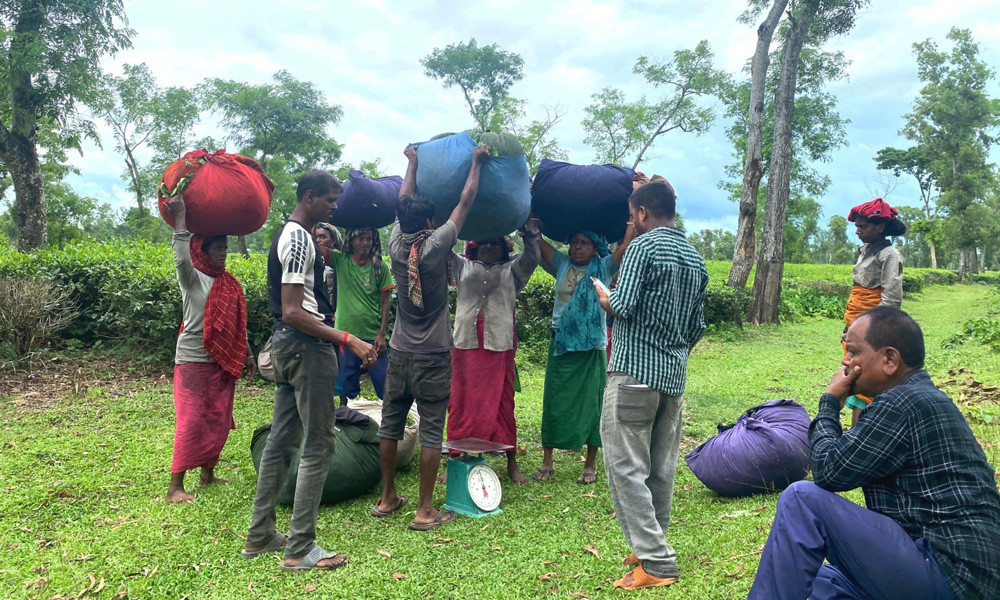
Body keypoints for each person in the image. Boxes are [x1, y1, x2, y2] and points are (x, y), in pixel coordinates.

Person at [748, 306, 1000, 600]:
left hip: (951, 573)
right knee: (814, 580)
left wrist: (830, 402)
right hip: (942, 567)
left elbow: (829, 471)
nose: (845, 361)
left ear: (890, 360)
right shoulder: (918, 397)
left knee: (801, 499)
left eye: (853, 352)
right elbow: (847, 457)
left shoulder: (903, 402)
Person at [244, 170, 377, 572]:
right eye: (329, 199)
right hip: (307, 349)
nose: (335, 206)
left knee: (282, 441)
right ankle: (300, 547)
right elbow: (292, 310)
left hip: (287, 348)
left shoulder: (288, 235)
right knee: (320, 444)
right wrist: (348, 339)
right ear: (308, 197)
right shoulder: (300, 238)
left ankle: (260, 534)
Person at [594, 180, 708, 591]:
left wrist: (604, 297)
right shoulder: (696, 258)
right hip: (672, 378)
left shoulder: (642, 248)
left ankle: (657, 562)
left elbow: (623, 306)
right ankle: (650, 544)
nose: (633, 222)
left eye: (632, 215)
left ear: (642, 212)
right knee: (660, 468)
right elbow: (697, 327)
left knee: (626, 467)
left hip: (633, 373)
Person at [373, 142, 490, 530]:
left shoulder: (395, 245)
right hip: (434, 355)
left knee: (390, 425)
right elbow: (465, 201)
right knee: (431, 431)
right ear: (428, 222)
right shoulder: (437, 245)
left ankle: (387, 498)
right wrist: (477, 162)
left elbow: (402, 202)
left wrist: (411, 162)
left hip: (399, 352)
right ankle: (424, 510)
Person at [165, 195, 257, 504]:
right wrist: (180, 217)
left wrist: (248, 354)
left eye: (225, 248)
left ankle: (208, 475)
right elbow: (180, 257)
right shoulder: (192, 279)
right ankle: (175, 486)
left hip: (221, 363)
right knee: (191, 420)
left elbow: (237, 325)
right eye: (217, 248)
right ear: (201, 251)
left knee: (218, 418)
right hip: (192, 360)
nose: (223, 253)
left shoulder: (229, 283)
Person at [534, 225, 634, 484]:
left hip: (591, 348)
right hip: (562, 344)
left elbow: (624, 248)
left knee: (593, 403)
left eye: (584, 242)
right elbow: (538, 241)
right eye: (575, 242)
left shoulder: (604, 267)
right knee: (554, 401)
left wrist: (631, 221)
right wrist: (530, 221)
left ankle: (590, 463)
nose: (578, 247)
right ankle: (547, 459)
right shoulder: (562, 264)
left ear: (595, 247)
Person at [447, 220, 540, 485]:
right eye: (483, 243)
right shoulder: (462, 266)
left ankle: (511, 463)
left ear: (504, 248)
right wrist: (452, 221)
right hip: (465, 346)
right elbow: (442, 249)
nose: (488, 247)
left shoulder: (513, 270)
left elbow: (533, 256)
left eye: (494, 243)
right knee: (461, 401)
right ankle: (454, 460)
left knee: (503, 403)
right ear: (474, 247)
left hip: (499, 346)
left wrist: (529, 227)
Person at [843, 197, 906, 424]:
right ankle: (857, 431)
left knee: (867, 379)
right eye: (856, 226)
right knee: (855, 377)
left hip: (872, 330)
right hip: (856, 324)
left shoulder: (889, 255)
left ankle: (864, 432)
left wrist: (868, 333)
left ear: (880, 227)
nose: (858, 231)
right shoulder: (865, 250)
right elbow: (857, 296)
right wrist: (849, 328)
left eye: (863, 226)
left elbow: (891, 300)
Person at [329, 227, 394, 407]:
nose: (365, 243)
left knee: (384, 381)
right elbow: (317, 247)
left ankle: (390, 417)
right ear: (351, 240)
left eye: (369, 239)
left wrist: (381, 334)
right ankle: (344, 414)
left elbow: (386, 300)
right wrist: (326, 227)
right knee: (345, 381)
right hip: (345, 334)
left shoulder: (379, 266)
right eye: (360, 238)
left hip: (372, 336)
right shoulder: (341, 260)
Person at [312, 222, 341, 309]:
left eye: (322, 237)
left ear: (333, 241)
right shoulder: (310, 259)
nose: (318, 240)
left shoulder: (340, 262)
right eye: (316, 237)